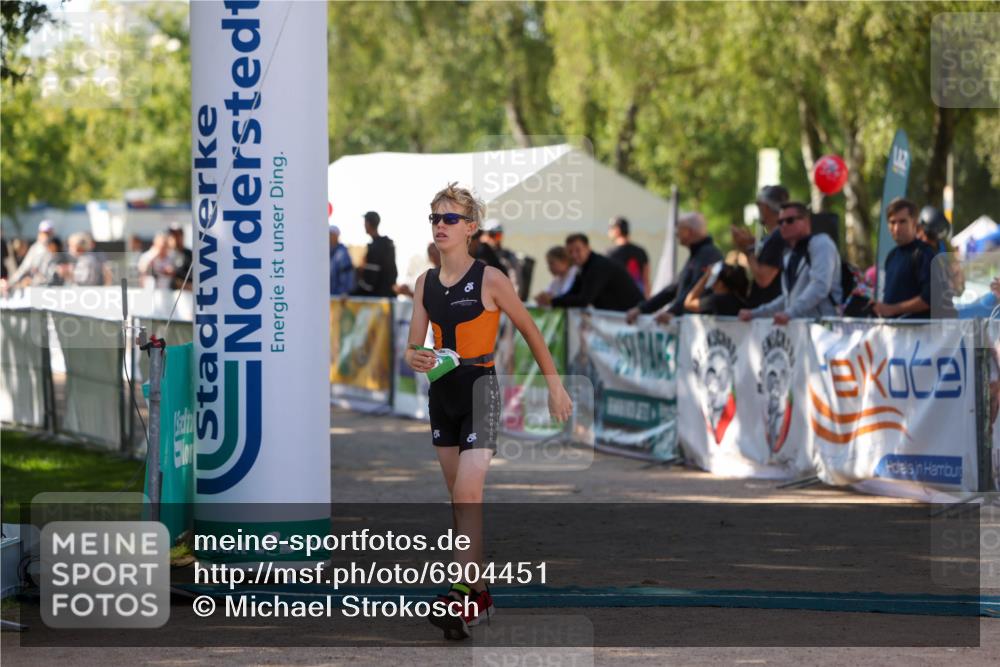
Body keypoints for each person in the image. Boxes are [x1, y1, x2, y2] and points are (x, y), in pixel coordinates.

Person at [404, 183, 572, 639]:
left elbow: (530, 330)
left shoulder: (491, 278)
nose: (440, 225)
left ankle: (459, 595)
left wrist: (555, 386)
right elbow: (414, 347)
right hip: (442, 395)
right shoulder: (424, 283)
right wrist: (415, 357)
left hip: (480, 390)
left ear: (470, 228)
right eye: (435, 218)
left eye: (450, 218)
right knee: (460, 505)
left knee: (468, 495)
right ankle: (479, 595)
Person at [738, 202, 841, 324]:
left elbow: (820, 286)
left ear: (806, 221)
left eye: (790, 220)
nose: (784, 225)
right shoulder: (789, 254)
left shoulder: (821, 244)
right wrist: (755, 313)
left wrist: (789, 313)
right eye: (780, 222)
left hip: (823, 327)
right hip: (798, 329)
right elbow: (788, 298)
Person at [626, 212, 722, 324]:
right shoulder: (698, 255)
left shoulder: (707, 255)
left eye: (679, 229)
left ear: (689, 231)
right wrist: (642, 309)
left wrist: (673, 312)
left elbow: (696, 289)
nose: (676, 233)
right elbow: (673, 289)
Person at [536, 233, 643, 311]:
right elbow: (574, 292)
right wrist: (552, 300)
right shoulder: (583, 268)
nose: (574, 255)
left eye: (578, 250)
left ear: (587, 248)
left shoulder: (598, 266)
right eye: (570, 252)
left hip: (631, 317)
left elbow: (584, 299)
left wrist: (552, 301)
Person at [870, 198, 936, 320]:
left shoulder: (925, 253)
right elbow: (890, 299)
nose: (896, 228)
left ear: (914, 223)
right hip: (893, 329)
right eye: (892, 222)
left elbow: (931, 298)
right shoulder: (891, 256)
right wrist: (878, 307)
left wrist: (891, 309)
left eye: (902, 222)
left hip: (918, 330)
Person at [732, 185, 789, 308]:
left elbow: (764, 279)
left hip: (768, 312)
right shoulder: (774, 236)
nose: (758, 208)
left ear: (766, 206)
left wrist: (748, 249)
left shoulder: (778, 236)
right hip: (767, 311)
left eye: (758, 204)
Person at [351, 211, 397, 297]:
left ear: (368, 224)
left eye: (365, 222)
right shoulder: (387, 244)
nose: (364, 225)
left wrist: (350, 294)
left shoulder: (375, 247)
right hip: (387, 297)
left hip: (377, 299)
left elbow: (370, 283)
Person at [683, 263, 750, 316]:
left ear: (720, 283)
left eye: (714, 279)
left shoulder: (715, 301)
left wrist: (705, 277)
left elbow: (688, 303)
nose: (712, 284)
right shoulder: (739, 301)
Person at [607, 216, 650, 296]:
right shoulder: (641, 251)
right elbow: (646, 281)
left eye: (610, 229)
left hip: (618, 298)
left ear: (617, 230)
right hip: (638, 298)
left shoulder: (610, 253)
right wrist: (647, 300)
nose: (608, 232)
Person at [9, 220, 54, 287]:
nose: (46, 235)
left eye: (48, 233)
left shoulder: (56, 247)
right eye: (44, 233)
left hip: (52, 286)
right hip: (38, 287)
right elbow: (24, 267)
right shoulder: (35, 248)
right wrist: (11, 282)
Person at [328, 224, 355, 296]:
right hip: (330, 294)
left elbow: (347, 274)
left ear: (336, 236)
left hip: (339, 295)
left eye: (331, 234)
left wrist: (344, 291)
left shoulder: (342, 253)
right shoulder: (327, 252)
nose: (328, 237)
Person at [168, 223, 193, 290]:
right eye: (173, 235)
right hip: (166, 292)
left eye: (178, 235)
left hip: (185, 292)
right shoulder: (165, 253)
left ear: (183, 236)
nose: (175, 238)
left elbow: (192, 275)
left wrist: (175, 273)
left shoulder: (189, 254)